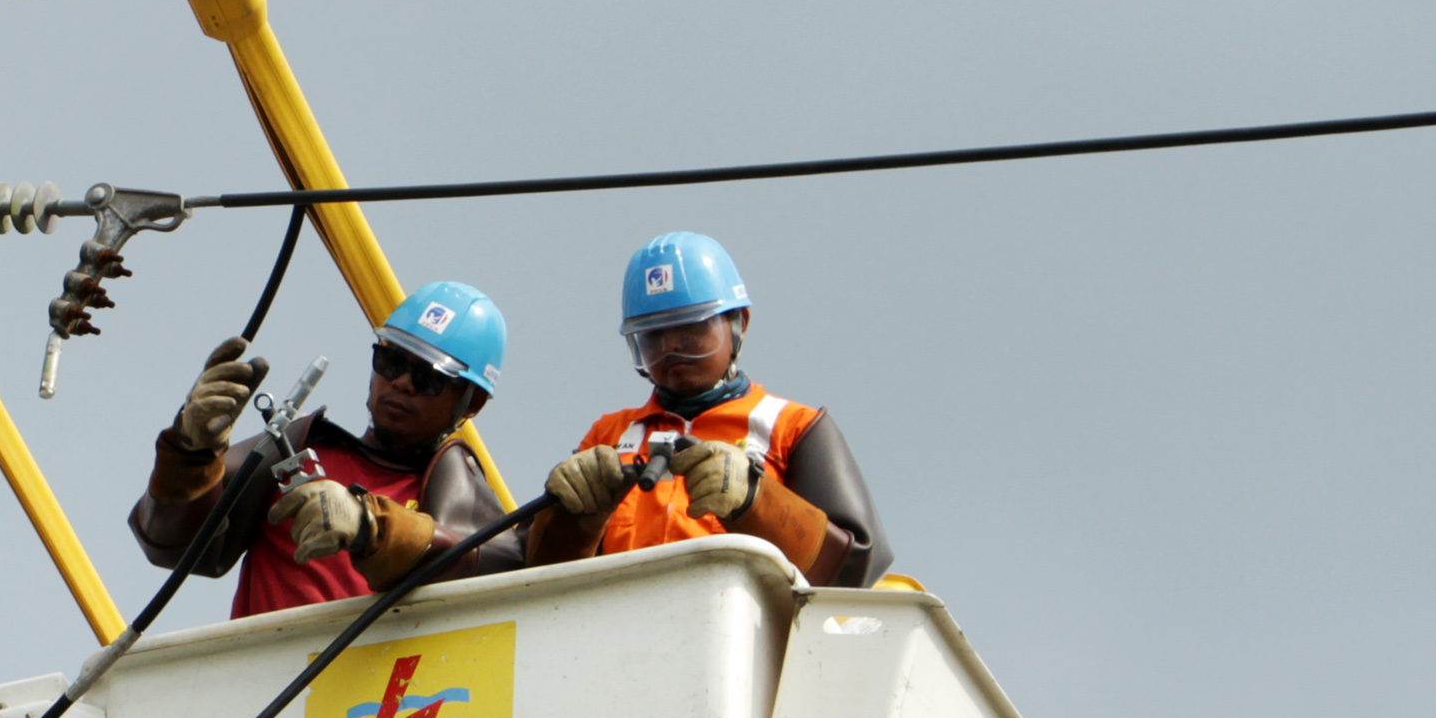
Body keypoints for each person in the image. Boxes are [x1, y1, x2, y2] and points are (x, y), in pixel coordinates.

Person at [131, 283, 523, 616]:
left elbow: (499, 576)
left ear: (471, 405)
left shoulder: (457, 501)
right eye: (390, 361)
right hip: (264, 697)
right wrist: (191, 454)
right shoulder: (293, 451)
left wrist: (375, 527)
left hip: (374, 703)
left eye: (428, 378)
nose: (401, 382)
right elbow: (175, 547)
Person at [528, 231, 893, 584]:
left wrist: (755, 499)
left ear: (739, 325)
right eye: (653, 336)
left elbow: (857, 567)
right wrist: (569, 520)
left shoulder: (793, 427)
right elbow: (531, 577)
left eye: (690, 330)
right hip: (622, 636)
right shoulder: (609, 436)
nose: (670, 348)